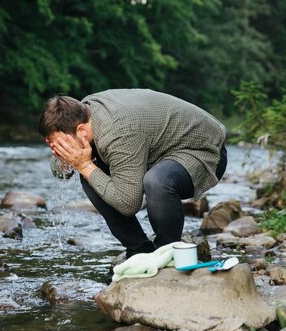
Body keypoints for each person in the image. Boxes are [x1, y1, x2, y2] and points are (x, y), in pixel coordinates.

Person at [38, 88, 227, 258]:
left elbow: (129, 203)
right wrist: (64, 159)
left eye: (63, 144)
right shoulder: (81, 115)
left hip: (202, 149)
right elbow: (61, 171)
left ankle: (167, 253)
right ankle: (139, 250)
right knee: (89, 175)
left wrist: (84, 165)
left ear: (81, 131)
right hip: (157, 149)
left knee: (156, 181)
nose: (63, 148)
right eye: (58, 145)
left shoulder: (120, 132)